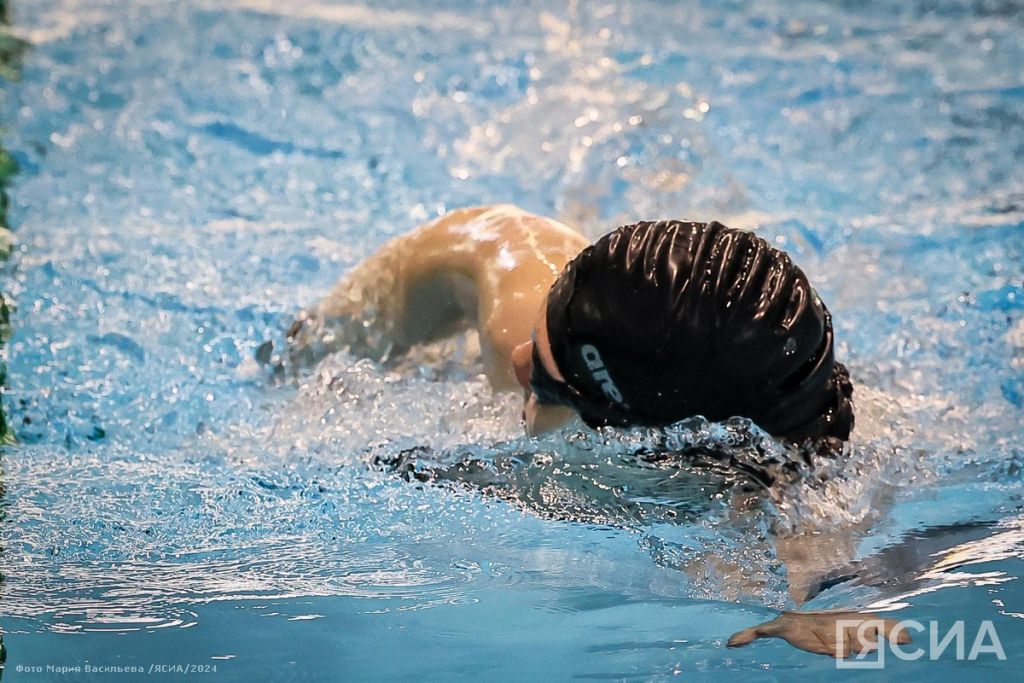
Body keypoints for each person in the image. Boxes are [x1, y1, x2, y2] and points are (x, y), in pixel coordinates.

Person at [284, 204, 854, 447]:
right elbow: (493, 234)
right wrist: (298, 356)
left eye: (547, 380)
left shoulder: (778, 476)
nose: (518, 361)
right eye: (537, 340)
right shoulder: (513, 316)